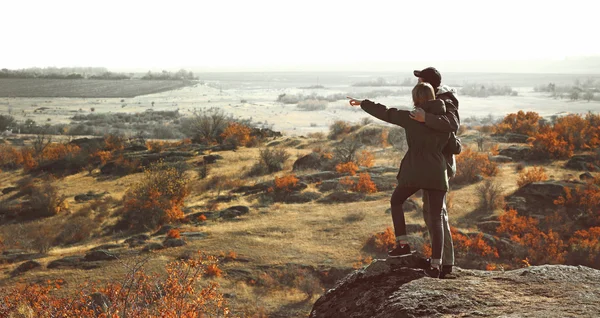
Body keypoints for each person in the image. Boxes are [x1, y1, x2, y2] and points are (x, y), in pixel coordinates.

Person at [349, 83, 450, 278]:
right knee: (436, 217)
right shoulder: (445, 120)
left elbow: (386, 113)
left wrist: (364, 103)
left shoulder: (411, 117)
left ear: (416, 99)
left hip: (415, 170)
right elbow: (453, 144)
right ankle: (436, 265)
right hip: (437, 171)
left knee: (396, 201)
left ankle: (402, 244)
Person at [409, 67, 460, 278]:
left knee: (437, 214)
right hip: (433, 163)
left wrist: (425, 119)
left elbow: (452, 125)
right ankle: (440, 259)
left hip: (441, 164)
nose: (418, 83)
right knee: (431, 212)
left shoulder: (445, 102)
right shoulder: (435, 101)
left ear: (430, 84)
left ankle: (444, 263)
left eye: (421, 80)